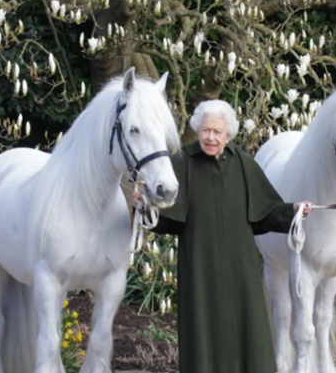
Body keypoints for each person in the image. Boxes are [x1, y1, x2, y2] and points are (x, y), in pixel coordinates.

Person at [131, 99, 314, 373]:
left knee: (249, 336)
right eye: (205, 130)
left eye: (217, 132)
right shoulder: (182, 162)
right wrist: (143, 207)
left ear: (228, 133)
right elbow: (165, 218)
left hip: (241, 273)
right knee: (203, 337)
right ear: (198, 129)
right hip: (199, 272)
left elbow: (265, 212)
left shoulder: (242, 163)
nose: (211, 137)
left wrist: (293, 211)